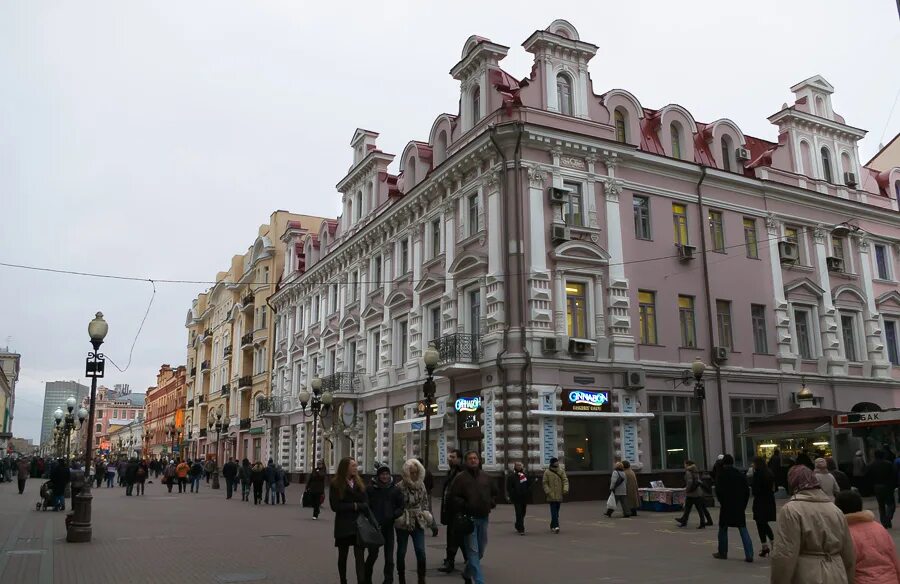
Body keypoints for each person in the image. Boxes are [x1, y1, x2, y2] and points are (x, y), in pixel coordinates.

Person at [771, 465, 855, 583]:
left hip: (807, 574)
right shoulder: (835, 510)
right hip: (837, 573)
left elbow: (785, 555)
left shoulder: (792, 510)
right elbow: (849, 554)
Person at [448, 450, 498, 584]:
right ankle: (479, 581)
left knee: (480, 551)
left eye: (475, 458)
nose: (473, 460)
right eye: (470, 458)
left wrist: (491, 502)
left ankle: (467, 573)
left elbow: (494, 493)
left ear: (479, 460)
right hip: (468, 519)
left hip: (483, 518)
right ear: (466, 461)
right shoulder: (460, 478)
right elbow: (453, 497)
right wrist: (465, 505)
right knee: (473, 551)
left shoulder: (486, 477)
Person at [834, 490, 900, 584]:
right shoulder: (879, 528)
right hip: (890, 579)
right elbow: (893, 556)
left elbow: (847, 566)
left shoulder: (843, 533)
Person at [330, 457, 367, 584]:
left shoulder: (360, 483)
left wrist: (355, 505)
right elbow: (335, 506)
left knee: (360, 556)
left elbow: (366, 503)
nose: (356, 468)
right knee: (343, 556)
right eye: (353, 466)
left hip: (359, 525)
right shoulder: (336, 484)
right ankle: (343, 580)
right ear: (345, 468)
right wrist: (355, 506)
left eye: (356, 466)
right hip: (343, 525)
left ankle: (361, 581)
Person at [395, 459, 432, 584]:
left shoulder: (421, 485)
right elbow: (395, 505)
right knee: (401, 551)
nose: (414, 475)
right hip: (403, 521)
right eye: (411, 472)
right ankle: (401, 577)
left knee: (420, 550)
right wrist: (398, 516)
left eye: (416, 472)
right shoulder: (399, 486)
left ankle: (421, 578)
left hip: (418, 520)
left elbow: (425, 502)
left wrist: (427, 515)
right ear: (406, 473)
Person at [712, 454, 754, 562]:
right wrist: (743, 505)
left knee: (723, 529)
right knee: (743, 529)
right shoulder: (740, 474)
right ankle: (749, 554)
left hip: (726, 506)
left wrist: (722, 502)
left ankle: (722, 552)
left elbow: (719, 491)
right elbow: (746, 491)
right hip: (739, 506)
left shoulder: (721, 475)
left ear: (724, 463)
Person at [365, 465, 402, 584]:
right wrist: (371, 519)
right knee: (373, 554)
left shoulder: (395, 489)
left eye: (387, 474)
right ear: (378, 476)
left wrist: (393, 515)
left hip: (389, 527)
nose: (385, 476)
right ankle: (366, 578)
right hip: (375, 527)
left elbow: (401, 506)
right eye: (382, 474)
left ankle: (388, 579)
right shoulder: (371, 489)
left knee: (389, 556)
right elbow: (367, 507)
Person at [438, 449, 466, 574]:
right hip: (450, 510)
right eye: (450, 457)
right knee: (458, 537)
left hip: (458, 511)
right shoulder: (451, 472)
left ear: (460, 459)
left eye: (453, 457)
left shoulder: (462, 473)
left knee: (454, 537)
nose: (450, 459)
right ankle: (469, 559)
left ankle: (450, 562)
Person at [749, 456, 777, 557]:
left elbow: (755, 490)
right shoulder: (769, 472)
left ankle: (768, 544)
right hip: (769, 500)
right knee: (763, 523)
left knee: (761, 523)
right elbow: (775, 487)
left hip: (760, 501)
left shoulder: (758, 474)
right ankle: (768, 545)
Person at [864, 450, 896, 529]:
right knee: (891, 504)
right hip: (887, 486)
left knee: (881, 505)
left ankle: (884, 521)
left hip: (877, 487)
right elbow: (893, 475)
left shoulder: (870, 465)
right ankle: (888, 518)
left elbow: (867, 477)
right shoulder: (888, 464)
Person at [676, 459, 712, 529]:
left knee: (689, 508)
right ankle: (685, 521)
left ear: (687, 464)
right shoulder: (695, 471)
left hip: (692, 493)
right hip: (697, 491)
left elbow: (689, 482)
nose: (684, 465)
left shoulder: (688, 472)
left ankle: (685, 522)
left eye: (685, 464)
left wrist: (687, 490)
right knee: (696, 509)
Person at [542, 457, 568, 533]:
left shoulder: (561, 471)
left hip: (559, 494)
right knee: (554, 511)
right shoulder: (547, 472)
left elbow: (565, 480)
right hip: (551, 495)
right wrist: (548, 491)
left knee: (557, 511)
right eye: (555, 462)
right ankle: (556, 526)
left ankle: (552, 524)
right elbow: (544, 483)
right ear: (552, 463)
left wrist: (565, 489)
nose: (557, 463)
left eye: (557, 461)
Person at [506, 461, 533, 535]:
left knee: (523, 512)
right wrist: (512, 493)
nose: (519, 466)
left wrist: (528, 492)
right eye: (517, 465)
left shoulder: (525, 476)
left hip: (524, 497)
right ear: (515, 467)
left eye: (520, 465)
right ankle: (521, 529)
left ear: (522, 467)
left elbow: (529, 485)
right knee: (518, 512)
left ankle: (518, 524)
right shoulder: (511, 477)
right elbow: (509, 487)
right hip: (516, 497)